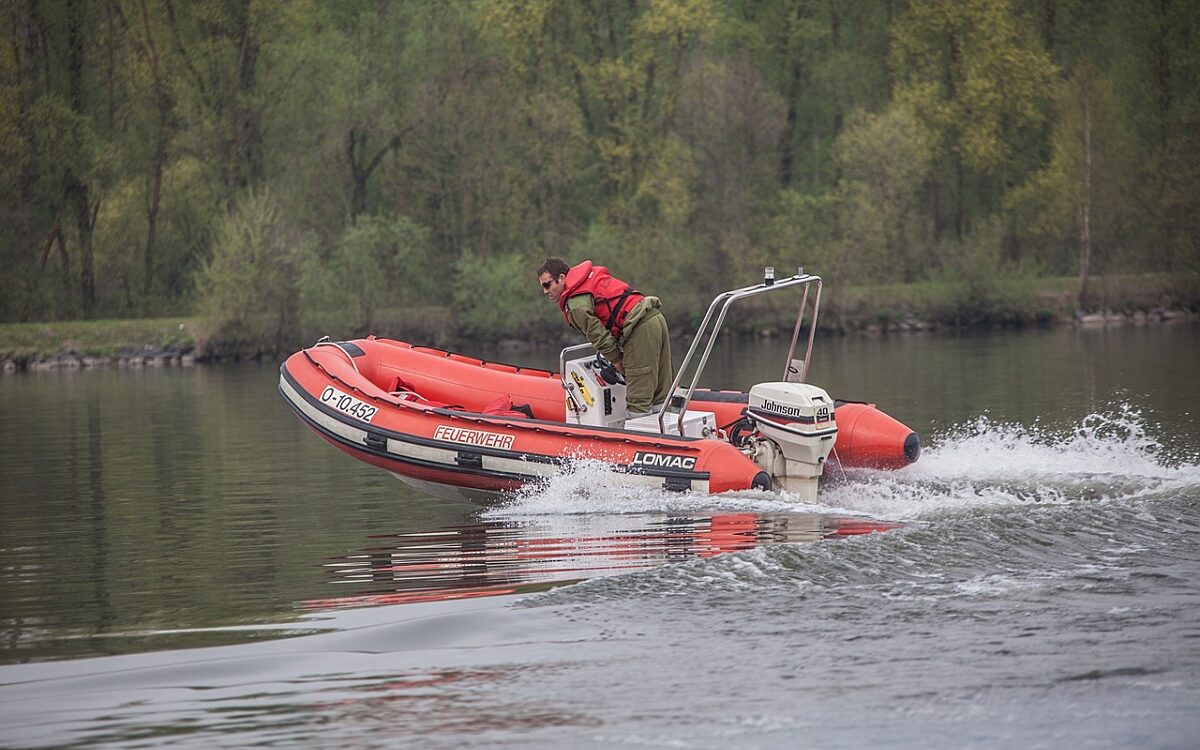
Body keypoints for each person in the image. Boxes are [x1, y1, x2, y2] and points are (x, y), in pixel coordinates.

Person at [537, 257, 672, 415]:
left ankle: (639, 432)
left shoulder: (576, 306)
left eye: (547, 285)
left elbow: (598, 336)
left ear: (561, 278)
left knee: (638, 400)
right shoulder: (589, 279)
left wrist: (618, 362)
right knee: (660, 392)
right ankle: (668, 429)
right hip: (655, 317)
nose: (545, 291)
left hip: (639, 328)